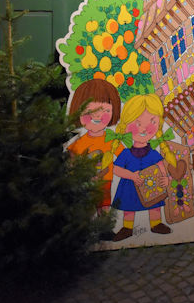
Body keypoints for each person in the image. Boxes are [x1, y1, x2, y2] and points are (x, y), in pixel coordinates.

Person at [107, 93, 176, 241]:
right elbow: (116, 169)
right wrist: (131, 176)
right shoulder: (126, 153)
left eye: (152, 121)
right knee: (129, 206)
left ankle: (156, 224)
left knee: (154, 204)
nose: (144, 129)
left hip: (152, 186)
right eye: (138, 123)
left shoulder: (154, 153)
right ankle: (127, 227)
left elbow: (161, 166)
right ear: (126, 126)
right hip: (131, 186)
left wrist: (165, 178)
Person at [66, 79, 123, 214]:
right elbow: (71, 165)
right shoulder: (78, 143)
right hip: (84, 183)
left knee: (104, 208)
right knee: (86, 210)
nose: (97, 115)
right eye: (89, 111)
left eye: (105, 110)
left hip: (106, 182)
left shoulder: (112, 140)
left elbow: (125, 158)